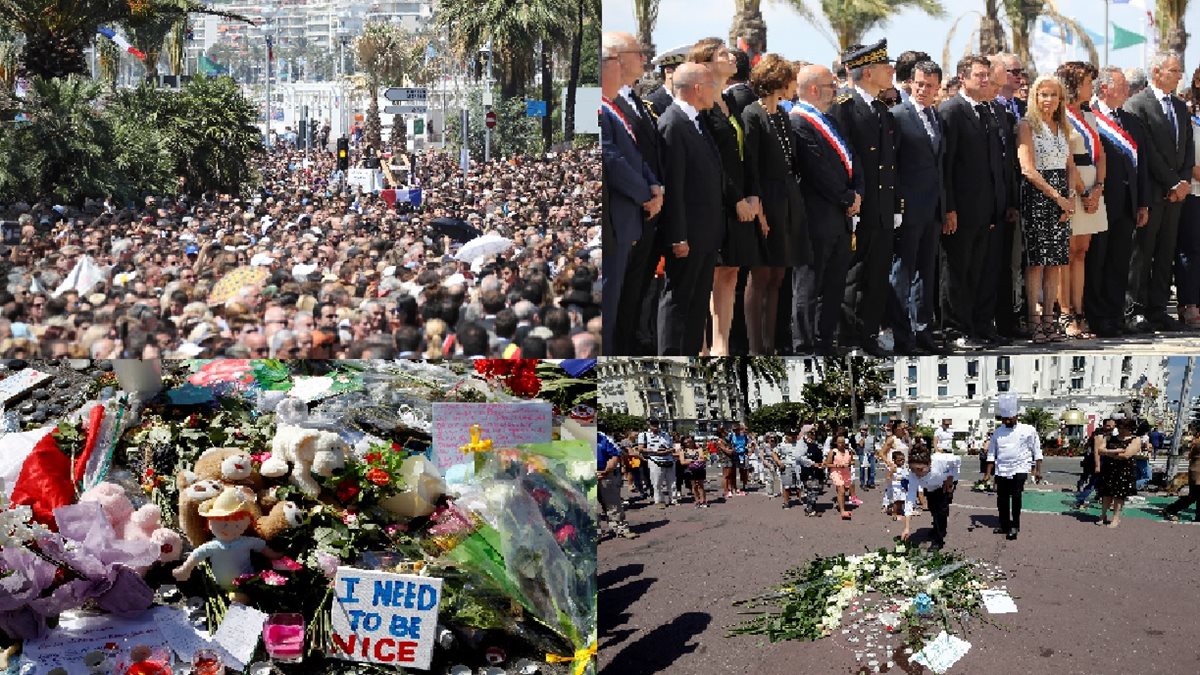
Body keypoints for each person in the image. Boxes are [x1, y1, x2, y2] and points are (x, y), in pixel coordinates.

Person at [689, 38, 760, 357]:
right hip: (714, 201)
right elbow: (711, 160)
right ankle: (701, 344)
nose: (731, 57)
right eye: (722, 54)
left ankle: (722, 344)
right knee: (708, 274)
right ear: (705, 64)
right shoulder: (700, 103)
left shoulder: (729, 100)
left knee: (730, 273)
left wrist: (752, 194)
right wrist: (736, 199)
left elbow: (740, 155)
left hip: (740, 201)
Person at [828, 39, 898, 357]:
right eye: (886, 67)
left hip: (881, 210)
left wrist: (895, 207)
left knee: (877, 277)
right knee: (852, 279)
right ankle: (849, 339)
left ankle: (868, 334)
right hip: (858, 209)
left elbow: (888, 165)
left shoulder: (881, 111)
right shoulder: (844, 108)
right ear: (868, 72)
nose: (891, 71)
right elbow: (842, 161)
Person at [656, 62, 727, 356]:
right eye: (711, 85)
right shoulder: (673, 123)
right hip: (687, 235)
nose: (716, 91)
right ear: (697, 88)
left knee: (697, 303)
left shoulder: (697, 121)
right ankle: (671, 356)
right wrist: (678, 235)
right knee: (678, 301)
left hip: (706, 233)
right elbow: (674, 185)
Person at [940, 55, 1009, 349]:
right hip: (962, 208)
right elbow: (946, 164)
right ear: (962, 77)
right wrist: (949, 207)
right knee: (957, 272)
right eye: (979, 75)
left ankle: (980, 325)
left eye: (987, 75)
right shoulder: (951, 111)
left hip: (988, 207)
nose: (985, 80)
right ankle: (955, 330)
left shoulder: (991, 110)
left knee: (981, 271)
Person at [790, 64, 858, 354]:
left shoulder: (829, 119)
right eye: (832, 85)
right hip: (817, 214)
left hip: (841, 215)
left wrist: (858, 193)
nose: (836, 90)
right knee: (809, 284)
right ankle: (804, 344)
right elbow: (817, 169)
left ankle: (825, 339)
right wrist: (845, 197)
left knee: (834, 283)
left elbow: (850, 158)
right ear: (814, 89)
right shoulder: (799, 121)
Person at [600, 33, 662, 352]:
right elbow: (611, 157)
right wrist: (645, 194)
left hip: (631, 218)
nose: (643, 60)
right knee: (609, 310)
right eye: (638, 53)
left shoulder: (617, 106)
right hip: (615, 221)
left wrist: (653, 185)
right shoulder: (597, 106)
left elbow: (635, 154)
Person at [743, 53, 808, 355]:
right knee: (761, 276)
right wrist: (761, 211)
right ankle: (756, 346)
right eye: (792, 79)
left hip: (787, 198)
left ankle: (771, 344)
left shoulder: (783, 114)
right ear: (778, 81)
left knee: (779, 275)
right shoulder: (751, 114)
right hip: (766, 198)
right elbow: (751, 165)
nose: (795, 85)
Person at [1124, 51, 1193, 333]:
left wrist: (1184, 180)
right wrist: (1172, 182)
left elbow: (1187, 147)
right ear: (1156, 72)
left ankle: (1157, 309)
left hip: (1176, 195)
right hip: (1152, 192)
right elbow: (1147, 150)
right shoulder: (1138, 104)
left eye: (1179, 71)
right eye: (1174, 70)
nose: (1179, 76)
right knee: (1142, 253)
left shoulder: (1179, 106)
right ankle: (1135, 309)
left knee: (1166, 253)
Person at [1086, 66, 1151, 337]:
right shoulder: (1090, 119)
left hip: (1127, 202)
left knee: (1119, 262)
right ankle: (1096, 316)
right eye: (1121, 86)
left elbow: (1142, 165)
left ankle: (1115, 315)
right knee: (1097, 261)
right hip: (1101, 201)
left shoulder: (1131, 121)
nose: (1127, 91)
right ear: (1104, 89)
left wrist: (1143, 203)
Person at [889, 60, 945, 354]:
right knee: (902, 272)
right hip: (907, 209)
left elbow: (940, 166)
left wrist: (945, 207)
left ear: (937, 88)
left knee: (926, 272)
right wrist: (897, 206)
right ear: (911, 83)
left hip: (932, 208)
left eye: (930, 86)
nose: (923, 90)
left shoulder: (935, 116)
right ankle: (902, 336)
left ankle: (923, 332)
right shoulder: (898, 115)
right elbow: (892, 166)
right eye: (919, 84)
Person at [1016, 74, 1075, 344]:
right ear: (1035, 97)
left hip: (1062, 195)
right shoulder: (1027, 125)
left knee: (1056, 263)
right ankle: (1033, 321)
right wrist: (1057, 198)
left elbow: (1069, 165)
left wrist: (1070, 197)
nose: (1048, 99)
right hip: (1038, 195)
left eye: (1053, 94)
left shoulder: (1063, 126)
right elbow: (1027, 169)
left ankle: (1050, 322)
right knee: (1037, 263)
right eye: (1043, 94)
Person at [1058, 61, 1106, 340]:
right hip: (1072, 186)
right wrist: (1082, 191)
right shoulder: (1062, 115)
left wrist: (1098, 186)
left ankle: (1079, 309)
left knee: (1081, 251)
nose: (1092, 87)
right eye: (1088, 82)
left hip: (1093, 185)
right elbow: (1066, 159)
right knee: (1066, 251)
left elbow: (1101, 154)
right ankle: (1066, 313)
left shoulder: (1089, 115)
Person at [983, 393, 1043, 540]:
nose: (1007, 420)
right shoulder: (997, 432)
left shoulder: (1028, 430)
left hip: (1020, 468)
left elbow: (1037, 450)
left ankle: (1015, 525)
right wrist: (987, 473)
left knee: (1016, 497)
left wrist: (1037, 470)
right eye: (1004, 418)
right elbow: (991, 453)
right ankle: (1004, 525)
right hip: (1002, 469)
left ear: (1017, 416)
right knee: (1001, 499)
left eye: (1010, 418)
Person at [1176, 66, 1200, 328]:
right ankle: (1189, 304)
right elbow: (1183, 153)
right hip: (1193, 189)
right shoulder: (1187, 111)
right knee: (1191, 249)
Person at [900, 443, 957, 550]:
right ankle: (936, 528)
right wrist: (906, 528)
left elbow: (955, 463)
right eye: (913, 469)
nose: (917, 473)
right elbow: (910, 498)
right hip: (929, 487)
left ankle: (938, 539)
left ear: (929, 463)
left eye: (920, 469)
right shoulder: (913, 474)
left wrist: (950, 478)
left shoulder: (940, 461)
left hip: (943, 485)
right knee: (932, 508)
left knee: (941, 511)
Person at [1096, 416, 1141, 527]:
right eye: (1119, 427)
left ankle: (1115, 518)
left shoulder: (1135, 439)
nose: (1121, 429)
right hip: (1109, 469)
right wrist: (1116, 451)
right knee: (1106, 494)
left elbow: (1126, 455)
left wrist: (1108, 452)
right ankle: (1103, 515)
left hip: (1124, 470)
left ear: (1130, 428)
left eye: (1124, 427)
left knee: (1119, 495)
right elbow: (1100, 450)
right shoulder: (1110, 437)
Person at [598, 432, 638, 539]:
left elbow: (615, 455)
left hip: (605, 475)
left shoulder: (603, 437)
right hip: (583, 477)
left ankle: (620, 528)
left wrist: (605, 471)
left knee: (613, 504)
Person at [1073, 418, 1114, 509]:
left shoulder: (1107, 435)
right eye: (1108, 425)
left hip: (1103, 461)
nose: (1111, 428)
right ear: (1103, 425)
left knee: (1101, 482)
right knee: (1093, 482)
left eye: (1113, 426)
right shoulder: (1100, 436)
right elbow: (1096, 451)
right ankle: (1080, 499)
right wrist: (1097, 465)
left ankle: (1101, 499)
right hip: (1097, 461)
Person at [1162, 428, 1200, 522]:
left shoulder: (1196, 442)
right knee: (1194, 496)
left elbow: (1190, 456)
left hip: (1196, 471)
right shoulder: (1198, 442)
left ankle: (1172, 508)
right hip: (1198, 472)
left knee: (1193, 496)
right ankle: (1172, 509)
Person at [638, 419, 676, 508]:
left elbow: (672, 447)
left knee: (672, 482)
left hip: (668, 459)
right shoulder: (644, 435)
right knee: (657, 482)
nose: (655, 425)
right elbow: (640, 448)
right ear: (649, 425)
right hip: (655, 460)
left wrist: (667, 451)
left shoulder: (665, 434)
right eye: (652, 424)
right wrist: (655, 451)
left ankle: (673, 499)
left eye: (656, 424)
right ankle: (659, 500)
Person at [825, 432, 857, 520]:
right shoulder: (833, 452)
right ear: (836, 443)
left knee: (844, 490)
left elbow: (853, 461)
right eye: (839, 442)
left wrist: (850, 463)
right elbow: (827, 464)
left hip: (846, 472)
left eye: (843, 442)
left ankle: (840, 505)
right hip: (836, 472)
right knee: (841, 490)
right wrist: (837, 466)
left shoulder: (848, 451)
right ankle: (843, 511)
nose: (841, 444)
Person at [777, 429, 804, 508]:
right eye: (791, 435)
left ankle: (800, 499)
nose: (793, 437)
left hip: (798, 466)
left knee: (799, 485)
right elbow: (774, 454)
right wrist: (779, 462)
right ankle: (786, 502)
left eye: (795, 435)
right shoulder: (781, 445)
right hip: (787, 466)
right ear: (787, 436)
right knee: (787, 485)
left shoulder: (800, 444)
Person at [679, 435, 709, 508]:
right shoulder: (683, 451)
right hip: (690, 470)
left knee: (701, 485)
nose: (688, 443)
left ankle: (703, 500)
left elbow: (702, 458)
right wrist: (694, 460)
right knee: (694, 486)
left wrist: (689, 460)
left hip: (700, 469)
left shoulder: (699, 449)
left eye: (690, 441)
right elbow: (682, 462)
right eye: (686, 442)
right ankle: (697, 501)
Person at [728, 423, 752, 494]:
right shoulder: (731, 435)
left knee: (744, 470)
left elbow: (749, 444)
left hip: (743, 454)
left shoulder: (744, 436)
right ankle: (733, 486)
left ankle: (744, 484)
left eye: (737, 430)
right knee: (733, 472)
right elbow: (727, 443)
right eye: (734, 430)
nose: (735, 431)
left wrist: (750, 450)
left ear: (740, 429)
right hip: (735, 455)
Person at [887, 450, 908, 520]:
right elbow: (888, 476)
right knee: (896, 500)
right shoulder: (894, 468)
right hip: (896, 486)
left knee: (902, 499)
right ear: (894, 460)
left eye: (903, 460)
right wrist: (893, 479)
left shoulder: (903, 467)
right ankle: (894, 513)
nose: (902, 461)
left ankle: (899, 510)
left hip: (903, 486)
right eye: (899, 460)